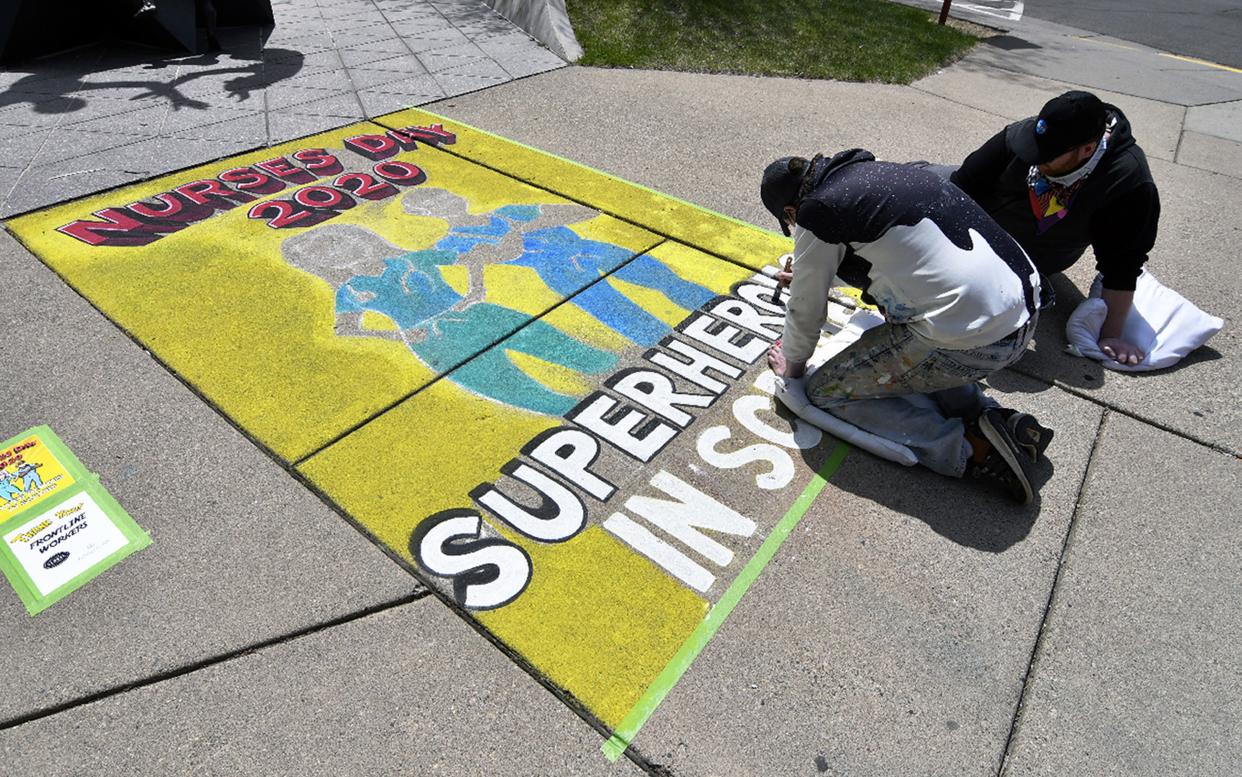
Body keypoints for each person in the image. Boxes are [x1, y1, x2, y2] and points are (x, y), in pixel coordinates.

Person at [761, 150, 1052, 504]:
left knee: (826, 391)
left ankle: (971, 449)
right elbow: (904, 254)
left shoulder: (818, 211)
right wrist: (817, 273)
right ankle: (996, 420)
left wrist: (792, 370)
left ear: (791, 212)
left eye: (791, 223)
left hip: (975, 341)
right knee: (919, 337)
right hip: (1019, 314)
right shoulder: (877, 176)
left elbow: (806, 312)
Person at [949, 90, 1160, 366]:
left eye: (1047, 157)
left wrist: (1111, 336)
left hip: (1039, 254)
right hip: (981, 220)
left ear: (1087, 149)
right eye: (1033, 149)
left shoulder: (1127, 183)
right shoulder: (1029, 135)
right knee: (921, 184)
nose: (1035, 159)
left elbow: (1122, 266)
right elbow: (960, 186)